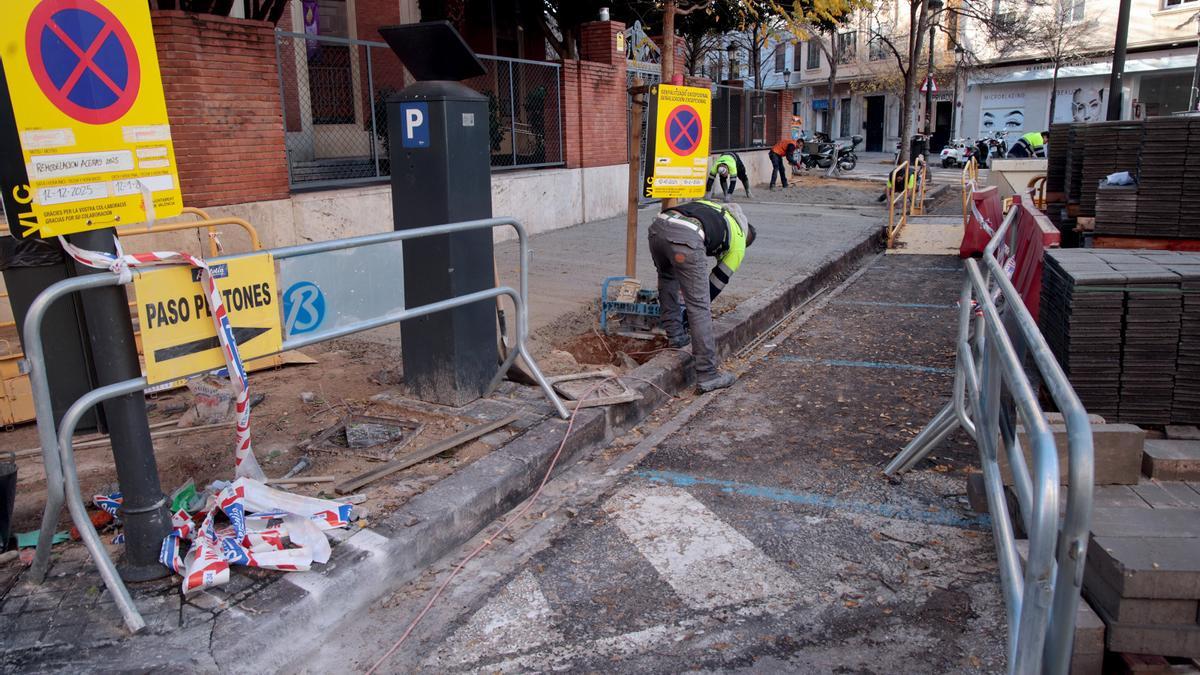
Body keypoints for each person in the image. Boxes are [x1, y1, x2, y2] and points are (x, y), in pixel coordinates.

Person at [649, 199, 756, 393]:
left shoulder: (718, 208)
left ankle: (675, 336)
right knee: (699, 305)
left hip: (659, 227)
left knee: (667, 281)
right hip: (686, 236)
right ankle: (708, 374)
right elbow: (712, 287)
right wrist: (689, 317)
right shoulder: (739, 242)